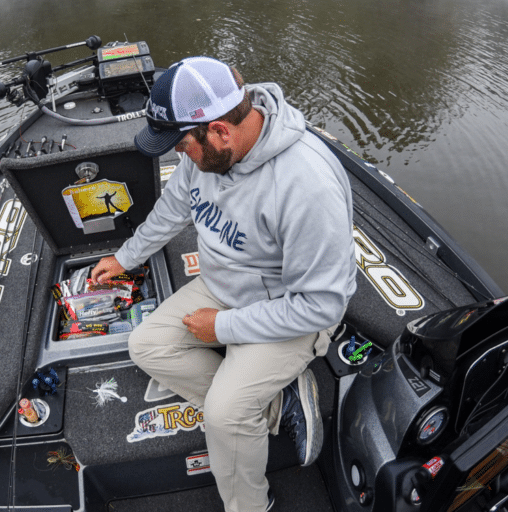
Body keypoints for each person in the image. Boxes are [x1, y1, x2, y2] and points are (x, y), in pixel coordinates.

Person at [91, 56, 357, 512]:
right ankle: (280, 404)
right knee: (146, 345)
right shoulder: (207, 155)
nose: (178, 154)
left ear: (219, 131)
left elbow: (322, 307)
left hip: (290, 312)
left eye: (181, 145)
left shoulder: (307, 186)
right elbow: (174, 208)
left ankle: (250, 505)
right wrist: (124, 257)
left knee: (224, 414)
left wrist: (224, 328)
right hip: (222, 286)